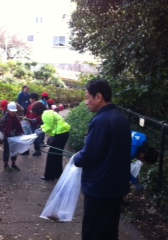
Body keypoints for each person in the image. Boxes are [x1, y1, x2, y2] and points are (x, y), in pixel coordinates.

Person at [73, 79, 131, 240]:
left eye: (87, 97)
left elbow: (91, 155)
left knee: (94, 231)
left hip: (100, 187)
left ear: (98, 97)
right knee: (109, 230)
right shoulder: (120, 118)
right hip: (116, 187)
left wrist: (77, 158)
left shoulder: (101, 121)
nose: (86, 102)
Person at [32, 101, 70, 181]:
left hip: (60, 134)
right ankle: (58, 174)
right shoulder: (48, 112)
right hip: (64, 133)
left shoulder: (45, 115)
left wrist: (41, 130)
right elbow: (49, 125)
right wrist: (42, 128)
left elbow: (48, 128)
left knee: (52, 155)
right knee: (57, 154)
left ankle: (49, 176)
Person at [0, 101, 24, 172]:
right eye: (12, 111)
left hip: (15, 136)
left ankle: (13, 164)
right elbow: (2, 127)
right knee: (6, 151)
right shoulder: (5, 118)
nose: (13, 113)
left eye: (14, 111)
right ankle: (6, 165)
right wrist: (8, 132)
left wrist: (18, 132)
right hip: (7, 137)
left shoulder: (15, 117)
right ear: (8, 110)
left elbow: (18, 126)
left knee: (14, 150)